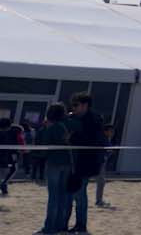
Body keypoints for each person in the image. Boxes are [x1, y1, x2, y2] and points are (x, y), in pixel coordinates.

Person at [66, 92, 106, 227]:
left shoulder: (93, 120)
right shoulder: (79, 118)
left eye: (76, 105)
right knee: (73, 193)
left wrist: (71, 138)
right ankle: (73, 224)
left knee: (79, 194)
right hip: (78, 161)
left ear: (85, 106)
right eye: (72, 105)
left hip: (85, 162)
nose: (73, 108)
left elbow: (91, 140)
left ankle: (81, 225)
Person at [38, 101, 71, 235]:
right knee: (63, 196)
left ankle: (49, 226)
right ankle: (60, 225)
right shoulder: (67, 125)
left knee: (53, 197)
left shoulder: (51, 127)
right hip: (67, 163)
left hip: (54, 163)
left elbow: (45, 146)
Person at [0, 115, 21, 197]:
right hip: (9, 155)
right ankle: (4, 184)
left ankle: (4, 184)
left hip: (6, 156)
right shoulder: (13, 132)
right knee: (13, 169)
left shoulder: (12, 132)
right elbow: (15, 144)